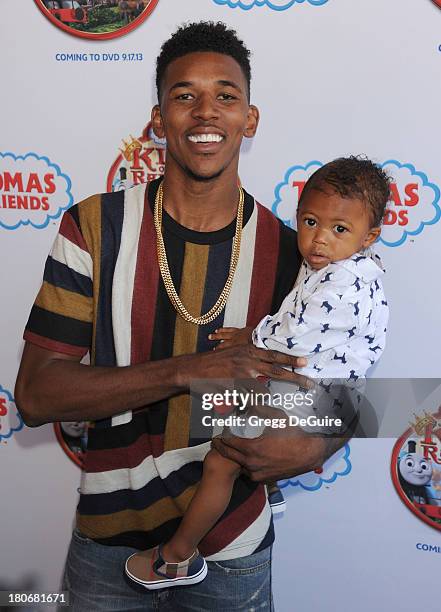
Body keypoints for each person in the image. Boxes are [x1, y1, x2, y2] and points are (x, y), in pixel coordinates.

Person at [15, 22, 347, 611]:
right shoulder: (94, 227)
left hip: (234, 551)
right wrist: (190, 371)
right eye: (184, 95)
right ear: (159, 118)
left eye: (226, 95)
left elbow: (340, 393)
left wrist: (320, 444)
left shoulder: (295, 253)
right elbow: (37, 396)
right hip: (107, 543)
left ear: (251, 120)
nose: (205, 113)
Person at [124, 156, 390, 590]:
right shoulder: (344, 265)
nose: (319, 239)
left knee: (219, 460)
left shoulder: (342, 283)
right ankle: (270, 484)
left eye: (339, 229)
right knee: (229, 403)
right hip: (312, 388)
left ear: (369, 236)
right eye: (309, 222)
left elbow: (293, 340)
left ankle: (176, 557)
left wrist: (251, 336)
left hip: (311, 394)